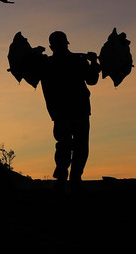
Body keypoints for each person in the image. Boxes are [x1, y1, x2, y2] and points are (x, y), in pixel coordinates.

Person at [37, 30, 101, 190]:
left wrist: (93, 63)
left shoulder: (48, 64)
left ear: (51, 46)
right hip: (70, 110)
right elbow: (92, 80)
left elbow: (92, 80)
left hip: (67, 110)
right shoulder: (59, 62)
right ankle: (70, 179)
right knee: (72, 145)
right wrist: (93, 63)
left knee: (68, 144)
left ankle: (69, 178)